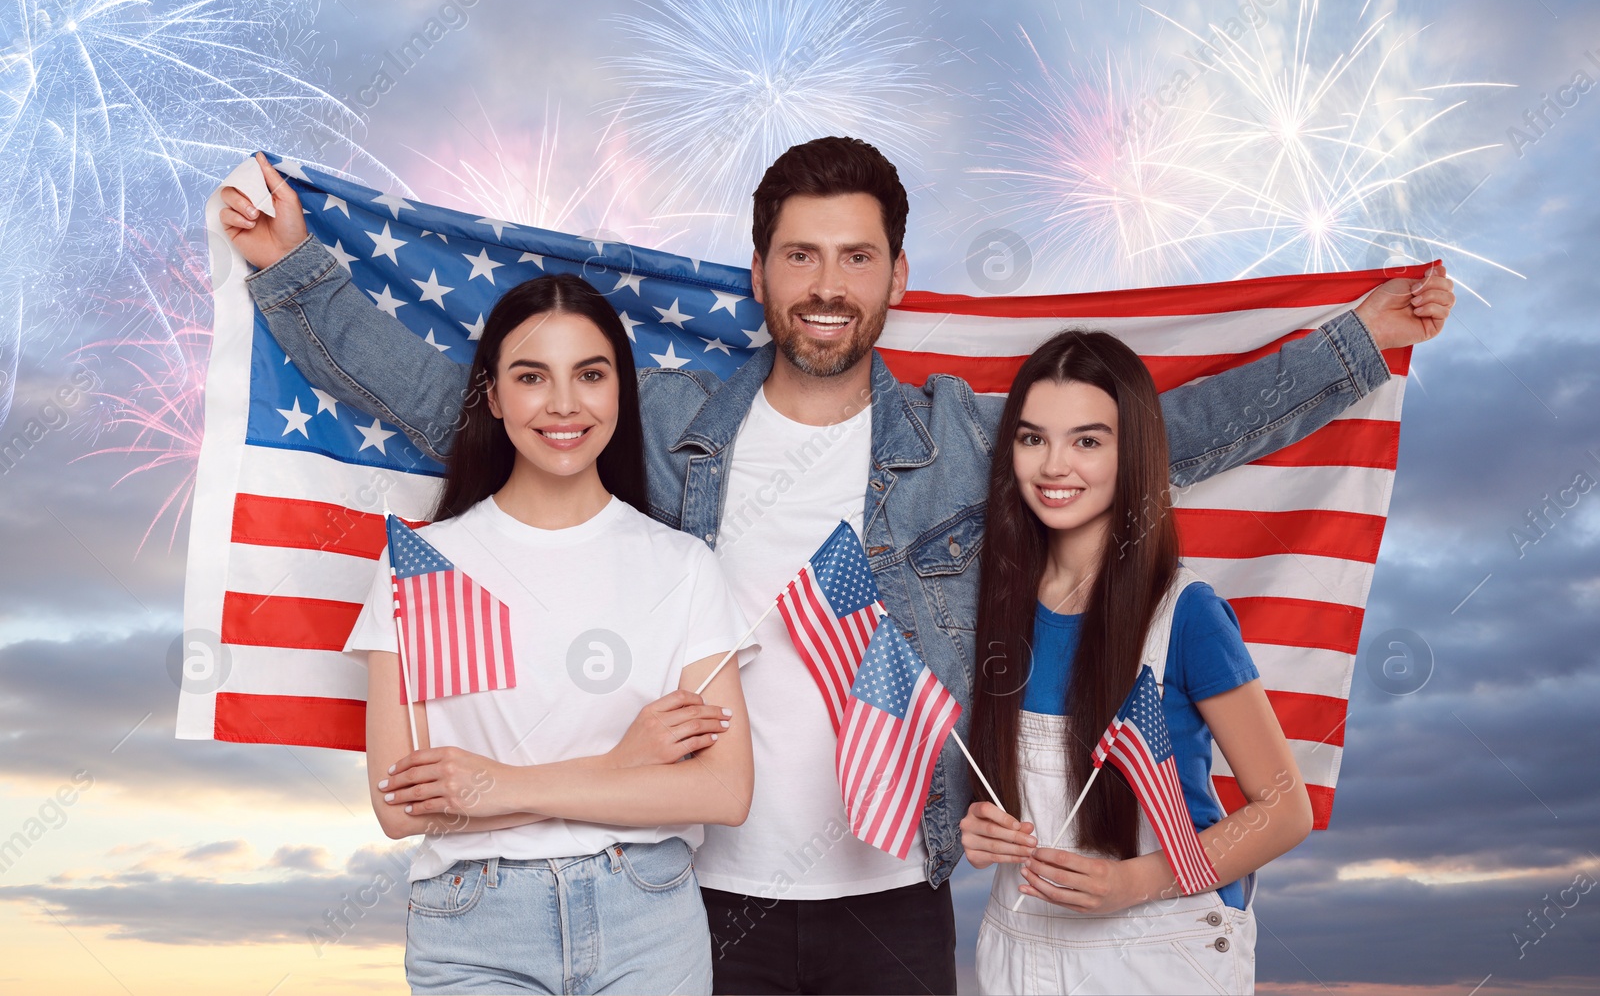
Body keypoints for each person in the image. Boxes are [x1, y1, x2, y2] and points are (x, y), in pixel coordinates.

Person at [219, 137, 1454, 994]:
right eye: (800, 256)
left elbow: (1150, 442)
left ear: (895, 278)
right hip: (690, 899)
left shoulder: (965, 436)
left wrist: (1358, 346)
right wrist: (294, 270)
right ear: (759, 273)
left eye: (854, 257)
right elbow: (469, 409)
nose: (825, 285)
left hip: (891, 891)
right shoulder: (674, 423)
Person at [343, 272, 756, 994]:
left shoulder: (683, 566)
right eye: (533, 376)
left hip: (647, 917)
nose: (564, 403)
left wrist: (493, 785)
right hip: (472, 925)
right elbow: (399, 807)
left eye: (589, 374)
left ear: (619, 392)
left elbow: (724, 790)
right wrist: (623, 764)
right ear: (494, 396)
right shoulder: (422, 564)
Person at [960, 329, 1310, 994]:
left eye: (1087, 440)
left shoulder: (1187, 613)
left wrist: (1134, 881)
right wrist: (980, 824)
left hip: (1160, 948)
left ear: (1134, 452)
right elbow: (994, 784)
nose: (1054, 465)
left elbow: (1286, 809)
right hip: (1020, 946)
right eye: (1033, 438)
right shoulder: (988, 605)